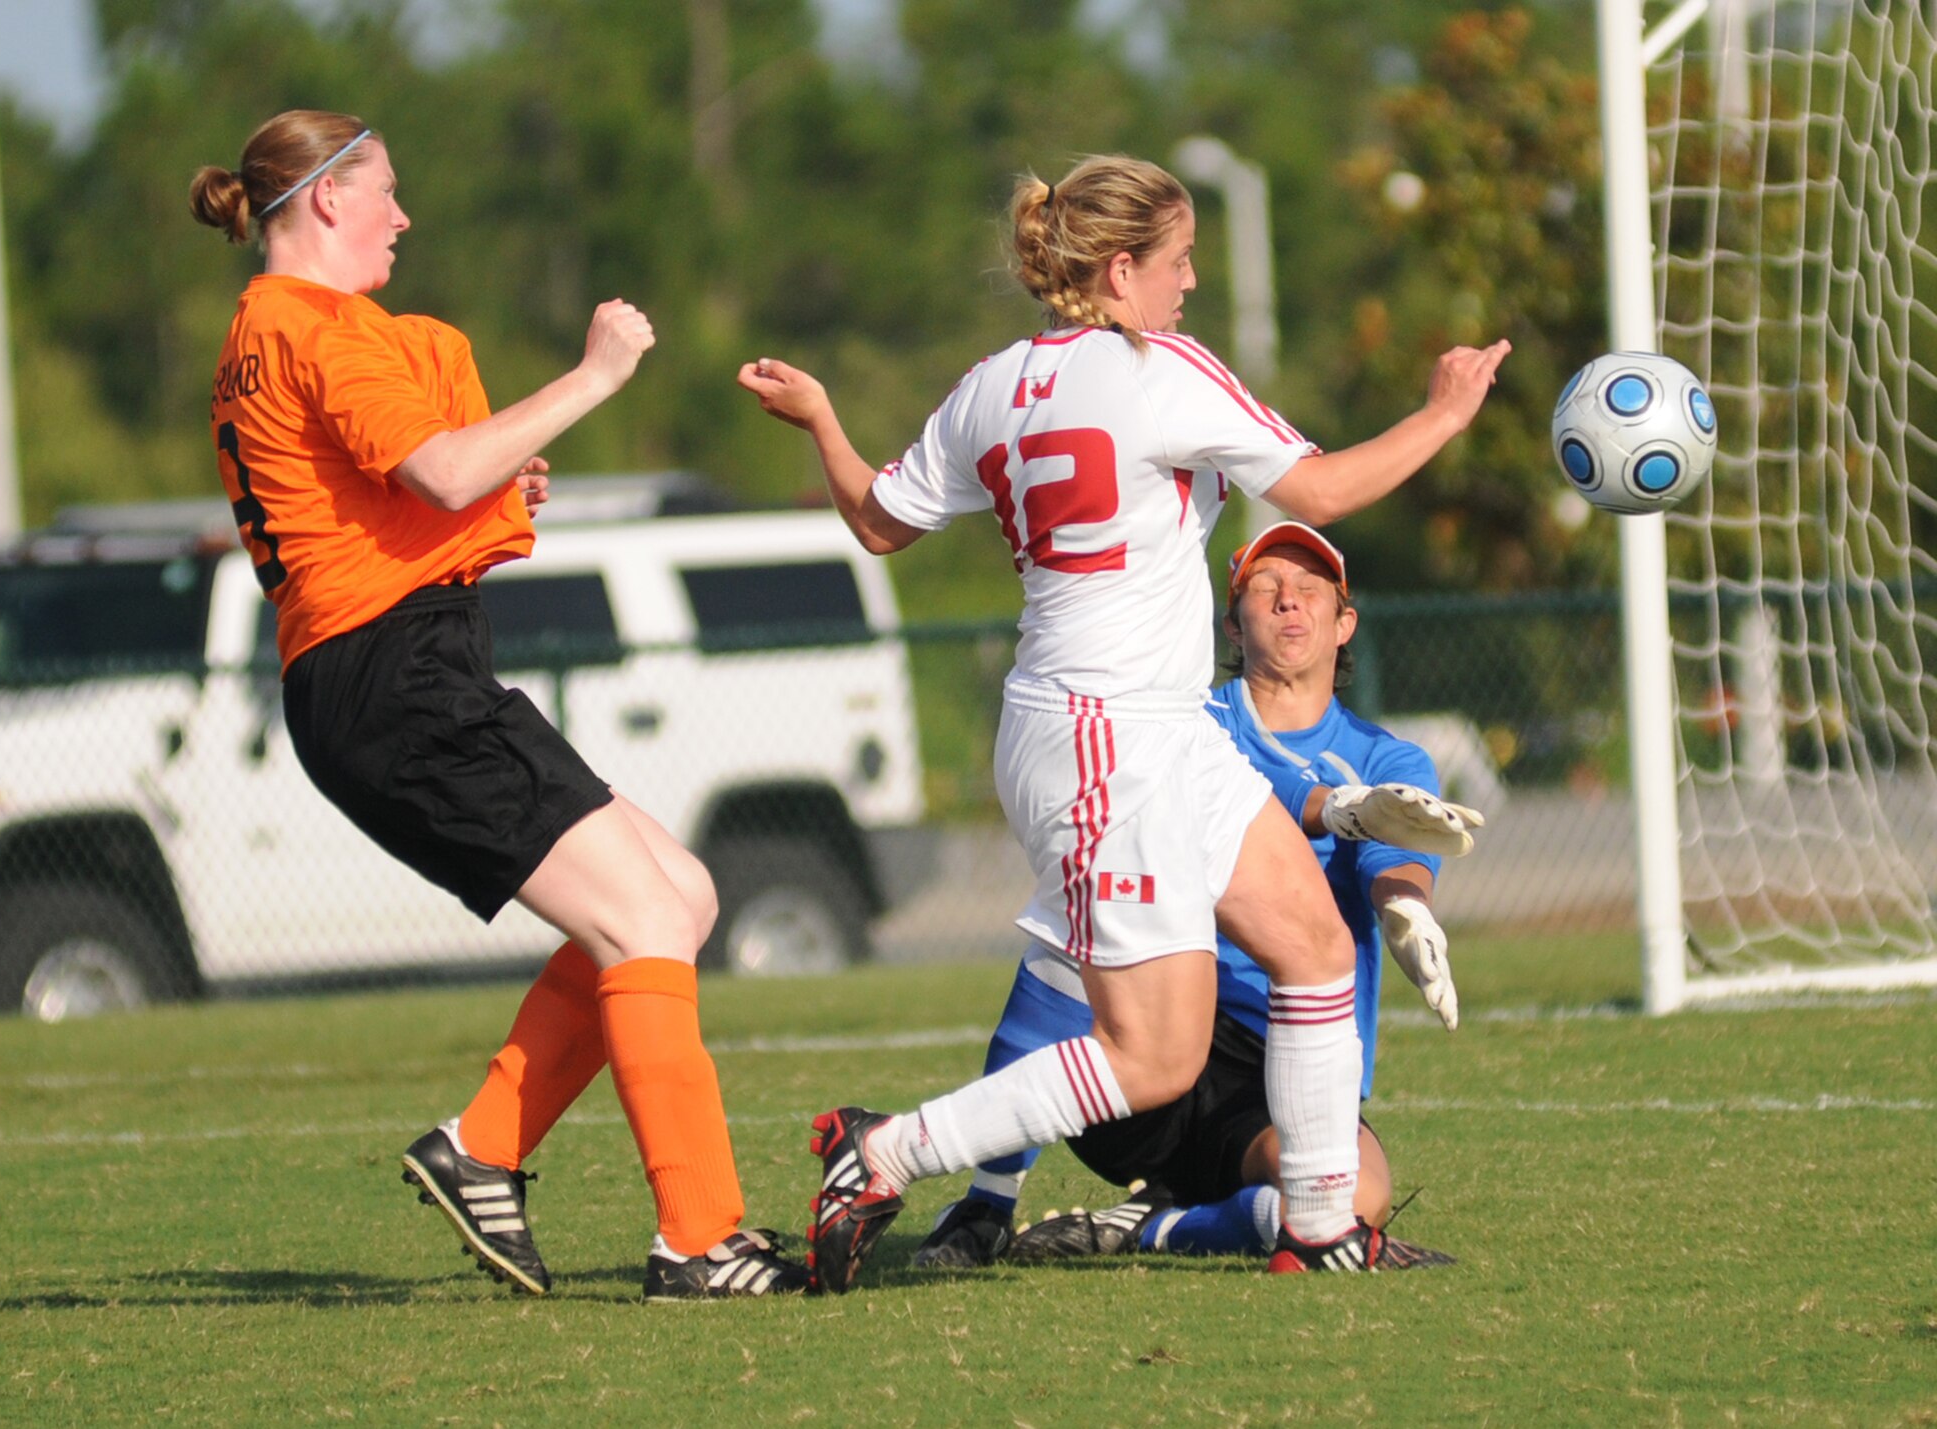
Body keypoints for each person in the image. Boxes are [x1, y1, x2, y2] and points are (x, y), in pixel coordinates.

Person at [739, 153, 1507, 1290]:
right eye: (1180, 260)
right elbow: (1322, 492)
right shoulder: (1158, 373)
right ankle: (885, 1150)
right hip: (1105, 733)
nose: (1190, 283)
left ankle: (1315, 1225)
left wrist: (821, 418)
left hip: (1140, 725)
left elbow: (878, 520)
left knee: (1304, 942)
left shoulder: (991, 382)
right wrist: (1443, 414)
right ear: (1118, 268)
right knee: (1154, 1054)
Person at [190, 110, 805, 1301]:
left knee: (679, 893)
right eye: (385, 192)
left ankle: (482, 1145)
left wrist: (478, 482)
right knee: (639, 917)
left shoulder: (268, 330)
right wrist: (593, 375)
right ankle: (700, 1238)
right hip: (390, 675)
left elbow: (400, 487)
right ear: (325, 199)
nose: (401, 217)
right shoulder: (317, 327)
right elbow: (441, 470)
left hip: (390, 666)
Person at [917, 521, 1462, 1271]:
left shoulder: (1388, 756)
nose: (1289, 604)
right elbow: (1266, 784)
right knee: (1073, 926)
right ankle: (985, 1201)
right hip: (1152, 1021)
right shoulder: (1182, 720)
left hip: (1280, 1061)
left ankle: (1152, 1228)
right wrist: (1333, 807)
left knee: (1358, 1200)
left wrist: (1408, 909)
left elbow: (1397, 850)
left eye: (1311, 591)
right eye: (1265, 590)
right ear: (1232, 621)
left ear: (1346, 622)